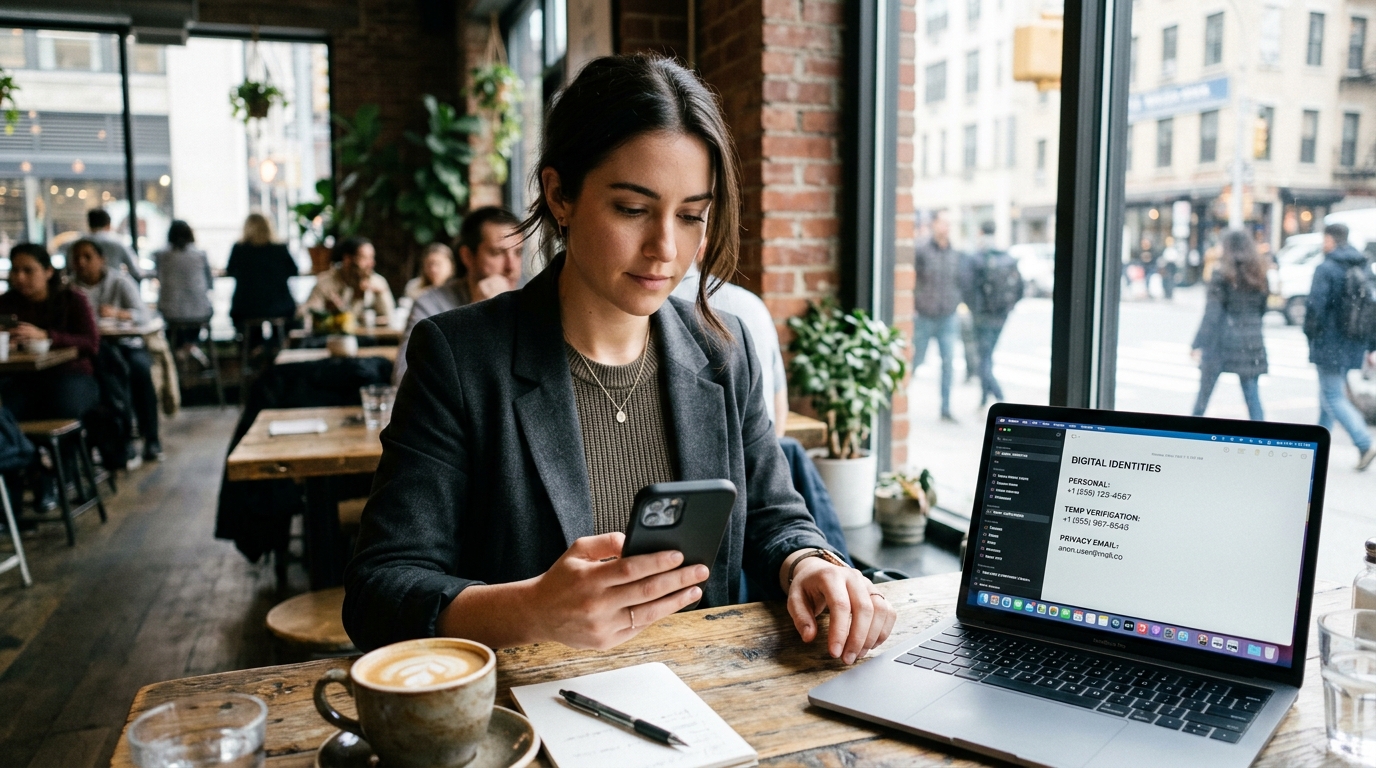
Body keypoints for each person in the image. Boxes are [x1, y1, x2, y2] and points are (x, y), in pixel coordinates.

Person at [345, 54, 894, 663]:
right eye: (633, 209)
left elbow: (772, 515)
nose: (665, 248)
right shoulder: (461, 357)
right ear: (560, 195)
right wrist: (532, 608)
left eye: (691, 216)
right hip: (532, 704)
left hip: (704, 694)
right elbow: (378, 593)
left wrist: (809, 563)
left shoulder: (722, 349)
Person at [392, 207, 522, 384]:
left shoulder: (532, 303)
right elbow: (404, 379)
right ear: (467, 256)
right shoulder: (431, 304)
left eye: (518, 252)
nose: (512, 267)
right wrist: (477, 316)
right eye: (497, 253)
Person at [672, 250, 788, 436]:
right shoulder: (752, 305)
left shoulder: (648, 307)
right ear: (704, 248)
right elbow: (778, 397)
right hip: (760, 445)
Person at [70, 238, 163, 459]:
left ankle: (151, 438)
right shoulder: (70, 289)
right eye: (77, 258)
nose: (81, 262)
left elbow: (144, 316)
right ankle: (117, 439)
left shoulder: (120, 282)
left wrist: (119, 313)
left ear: (101, 259)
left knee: (139, 370)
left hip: (126, 344)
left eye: (87, 257)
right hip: (92, 351)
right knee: (98, 376)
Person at [0, 244, 100, 421]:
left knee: (61, 406)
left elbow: (91, 343)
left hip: (69, 374)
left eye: (28, 271)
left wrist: (46, 336)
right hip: (21, 377)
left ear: (48, 271)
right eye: (15, 270)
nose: (20, 277)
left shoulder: (71, 300)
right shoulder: (6, 303)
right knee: (8, 411)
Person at [1304, 222, 1376, 469]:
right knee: (1328, 394)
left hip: (1329, 342)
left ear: (1329, 240)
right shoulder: (1362, 265)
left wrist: (1310, 335)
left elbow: (1315, 308)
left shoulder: (1326, 268)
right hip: (1353, 342)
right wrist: (1371, 345)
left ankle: (1364, 443)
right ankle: (1315, 448)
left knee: (1332, 395)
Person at [1190, 230, 1269, 422]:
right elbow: (1262, 308)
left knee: (1203, 396)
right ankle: (1261, 436)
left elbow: (1212, 314)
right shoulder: (1259, 273)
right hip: (1251, 340)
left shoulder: (1222, 274)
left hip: (1222, 342)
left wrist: (1197, 343)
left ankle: (1190, 433)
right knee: (1252, 395)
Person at [960, 221, 1023, 408]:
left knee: (983, 359)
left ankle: (999, 397)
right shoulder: (1007, 257)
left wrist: (975, 310)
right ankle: (984, 398)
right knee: (987, 356)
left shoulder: (977, 258)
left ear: (980, 232)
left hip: (982, 317)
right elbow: (1020, 288)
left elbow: (966, 287)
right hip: (1001, 317)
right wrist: (1008, 308)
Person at [912, 210, 962, 422]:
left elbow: (959, 281)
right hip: (924, 315)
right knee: (916, 359)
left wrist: (957, 302)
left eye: (949, 223)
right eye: (943, 223)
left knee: (948, 362)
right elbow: (912, 279)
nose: (946, 227)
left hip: (947, 315)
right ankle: (899, 404)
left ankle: (946, 408)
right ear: (934, 224)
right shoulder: (921, 249)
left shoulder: (954, 252)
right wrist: (915, 304)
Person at [226, 213, 299, 331]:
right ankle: (278, 340)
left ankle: (253, 341)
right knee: (290, 319)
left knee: (248, 326)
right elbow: (293, 270)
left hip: (246, 307)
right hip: (279, 305)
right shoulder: (279, 248)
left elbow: (230, 270)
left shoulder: (239, 249)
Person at [302, 236, 396, 325]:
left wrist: (381, 293)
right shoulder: (325, 282)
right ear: (348, 259)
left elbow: (391, 317)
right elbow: (305, 316)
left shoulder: (377, 282)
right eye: (364, 258)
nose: (371, 263)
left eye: (372, 257)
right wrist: (329, 314)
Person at [154, 220, 215, 348]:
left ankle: (180, 351)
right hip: (200, 310)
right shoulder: (200, 254)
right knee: (195, 320)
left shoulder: (161, 255)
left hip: (170, 312)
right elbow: (210, 284)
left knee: (172, 325)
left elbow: (159, 277)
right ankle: (190, 347)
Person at [86, 208, 145, 280]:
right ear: (109, 224)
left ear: (89, 224)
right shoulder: (117, 242)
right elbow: (135, 270)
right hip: (114, 285)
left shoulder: (77, 243)